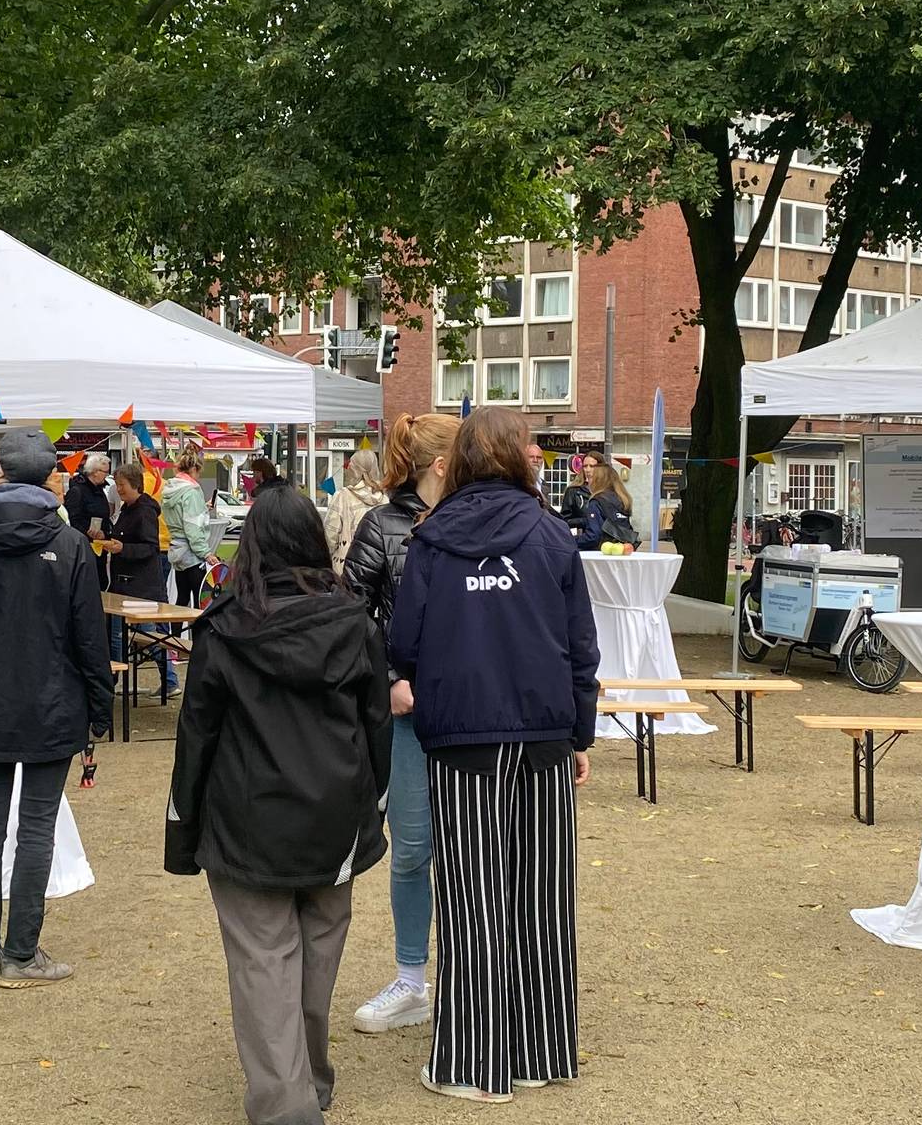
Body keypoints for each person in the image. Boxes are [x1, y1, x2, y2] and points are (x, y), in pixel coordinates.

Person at [384, 407, 599, 1103]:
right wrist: (580, 734)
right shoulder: (552, 537)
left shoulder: (431, 539)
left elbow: (403, 646)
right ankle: (541, 1051)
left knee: (473, 896)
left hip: (462, 736)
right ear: (518, 458)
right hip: (542, 733)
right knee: (541, 895)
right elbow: (580, 647)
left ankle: (477, 1066)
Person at [166, 489, 391, 1125]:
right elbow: (376, 728)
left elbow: (196, 739)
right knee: (313, 951)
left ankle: (292, 1097)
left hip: (253, 818)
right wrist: (370, 806)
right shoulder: (351, 622)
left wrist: (185, 828)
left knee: (269, 961)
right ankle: (300, 1088)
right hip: (325, 814)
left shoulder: (233, 628)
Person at [0, 428, 109, 989]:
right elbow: (91, 638)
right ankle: (17, 953)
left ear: (3, 474)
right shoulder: (68, 547)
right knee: (34, 827)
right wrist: (98, 708)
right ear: (50, 477)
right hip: (50, 703)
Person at [338, 411, 455, 1035]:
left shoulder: (474, 521)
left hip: (472, 717)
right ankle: (412, 978)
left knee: (472, 850)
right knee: (412, 850)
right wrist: (388, 681)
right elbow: (352, 617)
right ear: (442, 462)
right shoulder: (381, 526)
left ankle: (469, 975)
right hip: (408, 718)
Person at [106, 465, 175, 697]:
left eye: (122, 485)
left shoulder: (144, 511)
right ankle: (111, 681)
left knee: (148, 636)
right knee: (117, 635)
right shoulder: (127, 508)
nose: (119, 489)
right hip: (122, 584)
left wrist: (122, 548)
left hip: (141, 587)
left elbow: (149, 548)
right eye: (117, 485)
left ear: (135, 484)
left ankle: (170, 679)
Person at [163, 448, 217, 605]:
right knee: (201, 601)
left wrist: (202, 508)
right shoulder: (191, 492)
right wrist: (206, 553)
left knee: (182, 599)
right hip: (192, 554)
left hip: (177, 549)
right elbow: (192, 528)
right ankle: (199, 631)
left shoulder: (170, 489)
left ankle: (176, 630)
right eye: (199, 473)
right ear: (194, 469)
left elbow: (181, 517)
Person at [323, 450, 383, 575]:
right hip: (378, 569)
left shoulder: (342, 497)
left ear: (353, 470)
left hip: (346, 569)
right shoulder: (385, 499)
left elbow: (329, 537)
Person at [568, 457, 633, 552]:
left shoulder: (597, 501)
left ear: (598, 480)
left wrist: (570, 540)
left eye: (590, 478)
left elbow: (593, 536)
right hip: (621, 551)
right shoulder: (623, 499)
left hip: (600, 552)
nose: (588, 481)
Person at [67, 453, 114, 541]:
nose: (107, 475)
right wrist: (88, 534)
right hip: (85, 544)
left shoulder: (99, 489)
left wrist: (105, 534)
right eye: (105, 472)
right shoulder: (77, 491)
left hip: (100, 543)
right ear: (95, 472)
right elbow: (73, 521)